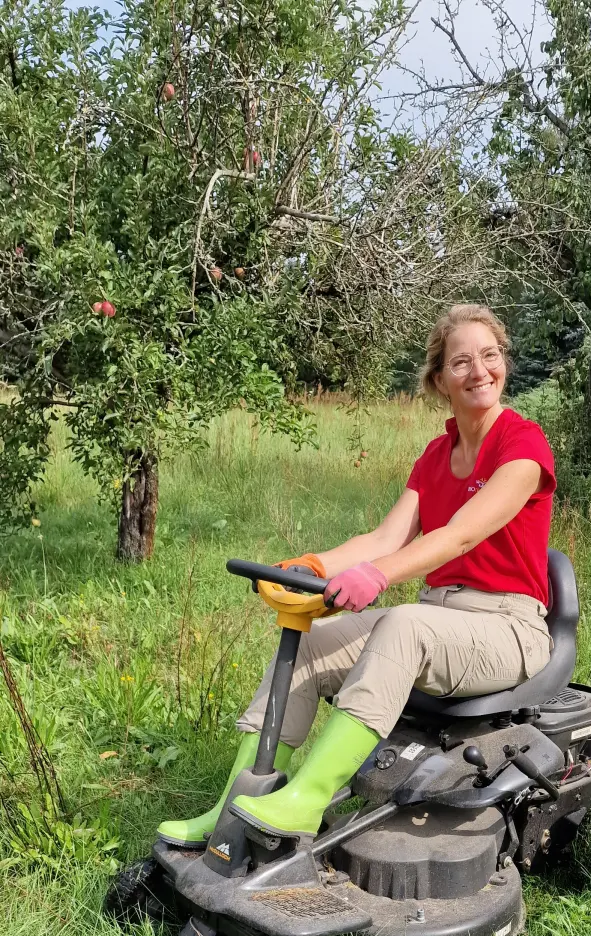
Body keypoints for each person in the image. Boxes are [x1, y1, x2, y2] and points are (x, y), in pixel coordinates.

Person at [157, 303, 556, 847]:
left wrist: (378, 577)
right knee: (313, 643)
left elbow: (459, 534)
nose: (479, 371)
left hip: (508, 625)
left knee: (404, 626)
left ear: (504, 363)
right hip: (438, 615)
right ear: (439, 380)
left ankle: (306, 799)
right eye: (461, 362)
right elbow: (384, 539)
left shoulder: (523, 445)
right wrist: (313, 567)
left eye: (490, 356)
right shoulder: (435, 456)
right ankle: (233, 810)